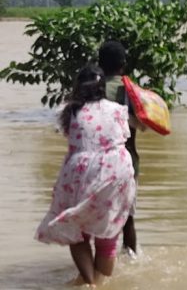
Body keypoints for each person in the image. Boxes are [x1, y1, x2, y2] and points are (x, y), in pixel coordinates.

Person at [35, 65, 136, 286]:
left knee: (76, 228)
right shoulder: (118, 109)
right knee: (108, 232)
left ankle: (89, 282)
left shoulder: (67, 111)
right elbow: (125, 136)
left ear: (77, 87)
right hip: (116, 169)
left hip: (80, 170)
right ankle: (99, 282)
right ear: (102, 87)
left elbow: (70, 135)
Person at [98, 40, 141, 256]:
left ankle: (99, 264)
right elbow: (144, 125)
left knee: (98, 216)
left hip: (98, 162)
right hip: (127, 160)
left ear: (99, 64)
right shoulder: (131, 90)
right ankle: (132, 258)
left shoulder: (91, 89)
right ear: (123, 64)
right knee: (128, 218)